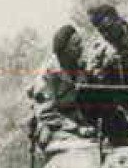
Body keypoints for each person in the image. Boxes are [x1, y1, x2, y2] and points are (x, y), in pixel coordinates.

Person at [26, 24, 96, 153]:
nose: (81, 47)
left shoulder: (81, 66)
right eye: (76, 44)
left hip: (79, 123)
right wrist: (76, 128)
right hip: (54, 127)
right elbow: (45, 113)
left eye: (80, 43)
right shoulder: (48, 75)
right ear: (64, 50)